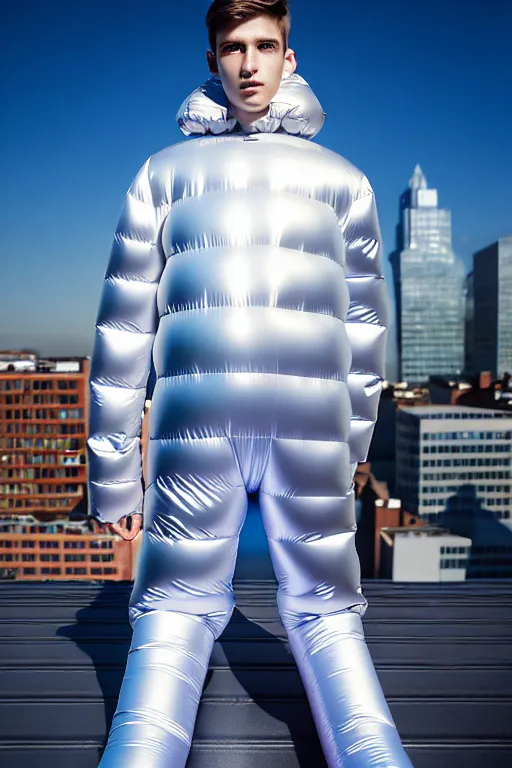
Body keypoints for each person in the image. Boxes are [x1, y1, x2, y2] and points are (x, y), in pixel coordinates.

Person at [87, 1, 413, 765]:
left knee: (317, 615)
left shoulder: (344, 184)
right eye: (234, 47)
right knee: (187, 614)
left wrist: (355, 437)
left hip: (301, 434)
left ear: (289, 58)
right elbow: (124, 329)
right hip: (199, 430)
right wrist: (113, 481)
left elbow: (365, 328)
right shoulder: (161, 176)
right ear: (213, 60)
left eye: (265, 45)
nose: (249, 63)